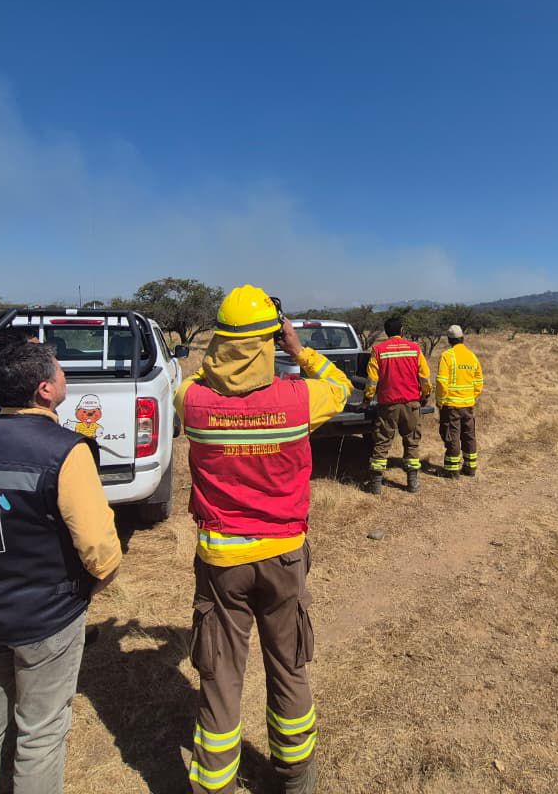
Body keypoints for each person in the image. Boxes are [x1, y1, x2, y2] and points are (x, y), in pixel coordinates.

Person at [174, 285, 351, 794]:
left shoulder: (195, 400)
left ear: (221, 341)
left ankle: (215, 783)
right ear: (269, 342)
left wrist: (219, 363)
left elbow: (193, 380)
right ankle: (296, 778)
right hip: (283, 557)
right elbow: (340, 387)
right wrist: (299, 349)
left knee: (220, 679)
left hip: (222, 562)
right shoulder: (299, 400)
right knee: (289, 667)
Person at [0, 343, 122, 794]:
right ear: (45, 391)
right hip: (48, 615)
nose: (65, 379)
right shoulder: (67, 450)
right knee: (40, 732)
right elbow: (98, 545)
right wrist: (99, 581)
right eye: (60, 373)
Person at [361, 316, 432, 494]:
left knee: (382, 443)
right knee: (412, 442)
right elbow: (424, 377)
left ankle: (376, 484)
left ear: (386, 332)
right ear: (402, 331)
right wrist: (425, 396)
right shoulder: (415, 349)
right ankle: (412, 483)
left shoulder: (378, 350)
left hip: (388, 405)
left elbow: (372, 381)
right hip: (411, 404)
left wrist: (367, 400)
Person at [436, 324, 484, 476]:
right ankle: (470, 468)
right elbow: (478, 383)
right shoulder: (472, 356)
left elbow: (442, 382)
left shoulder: (447, 356)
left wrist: (440, 401)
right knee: (469, 435)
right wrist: (471, 397)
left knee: (452, 436)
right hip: (468, 405)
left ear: (449, 340)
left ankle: (452, 470)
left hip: (451, 405)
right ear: (462, 338)